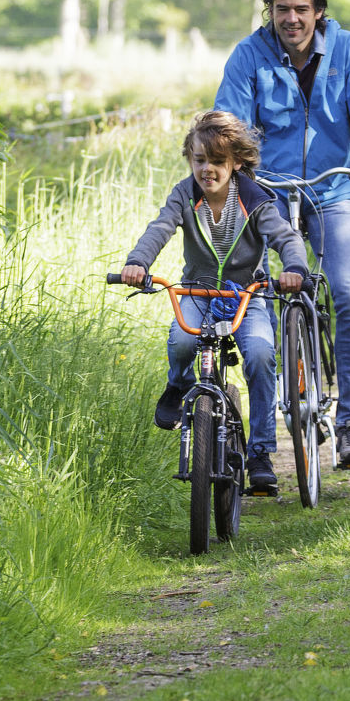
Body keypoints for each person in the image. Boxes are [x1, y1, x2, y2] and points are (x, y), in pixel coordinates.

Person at [215, 0, 350, 468]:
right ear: (269, 12)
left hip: (332, 189)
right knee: (248, 302)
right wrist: (235, 177)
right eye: (281, 10)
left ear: (319, 12)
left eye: (301, 9)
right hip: (265, 194)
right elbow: (228, 126)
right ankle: (258, 439)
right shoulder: (248, 56)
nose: (291, 19)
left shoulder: (348, 50)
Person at [121, 110, 311, 497]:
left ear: (236, 163)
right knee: (182, 342)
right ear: (190, 159)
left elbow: (285, 236)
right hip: (198, 291)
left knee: (259, 354)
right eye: (199, 160)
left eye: (217, 162)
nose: (207, 169)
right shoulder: (184, 195)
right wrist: (138, 262)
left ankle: (260, 452)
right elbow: (159, 228)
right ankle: (179, 385)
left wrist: (294, 267)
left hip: (248, 295)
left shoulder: (255, 201)